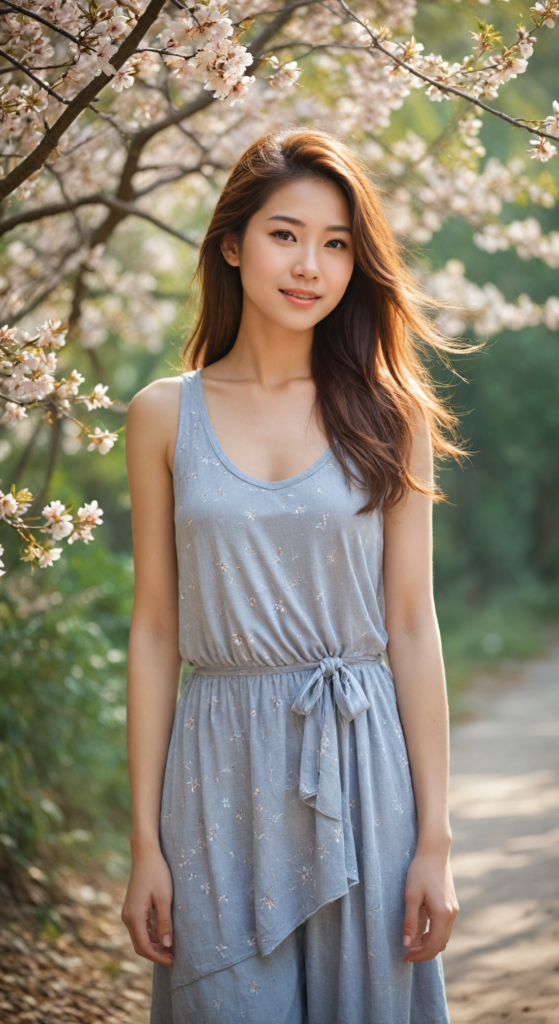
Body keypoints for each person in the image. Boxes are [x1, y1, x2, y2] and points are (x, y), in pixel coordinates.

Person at [121, 127, 460, 1024]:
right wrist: (142, 844)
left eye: (337, 242)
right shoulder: (163, 416)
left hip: (360, 761)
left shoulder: (391, 416)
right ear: (231, 245)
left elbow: (413, 628)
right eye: (285, 234)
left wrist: (435, 839)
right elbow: (155, 630)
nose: (310, 264)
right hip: (213, 773)